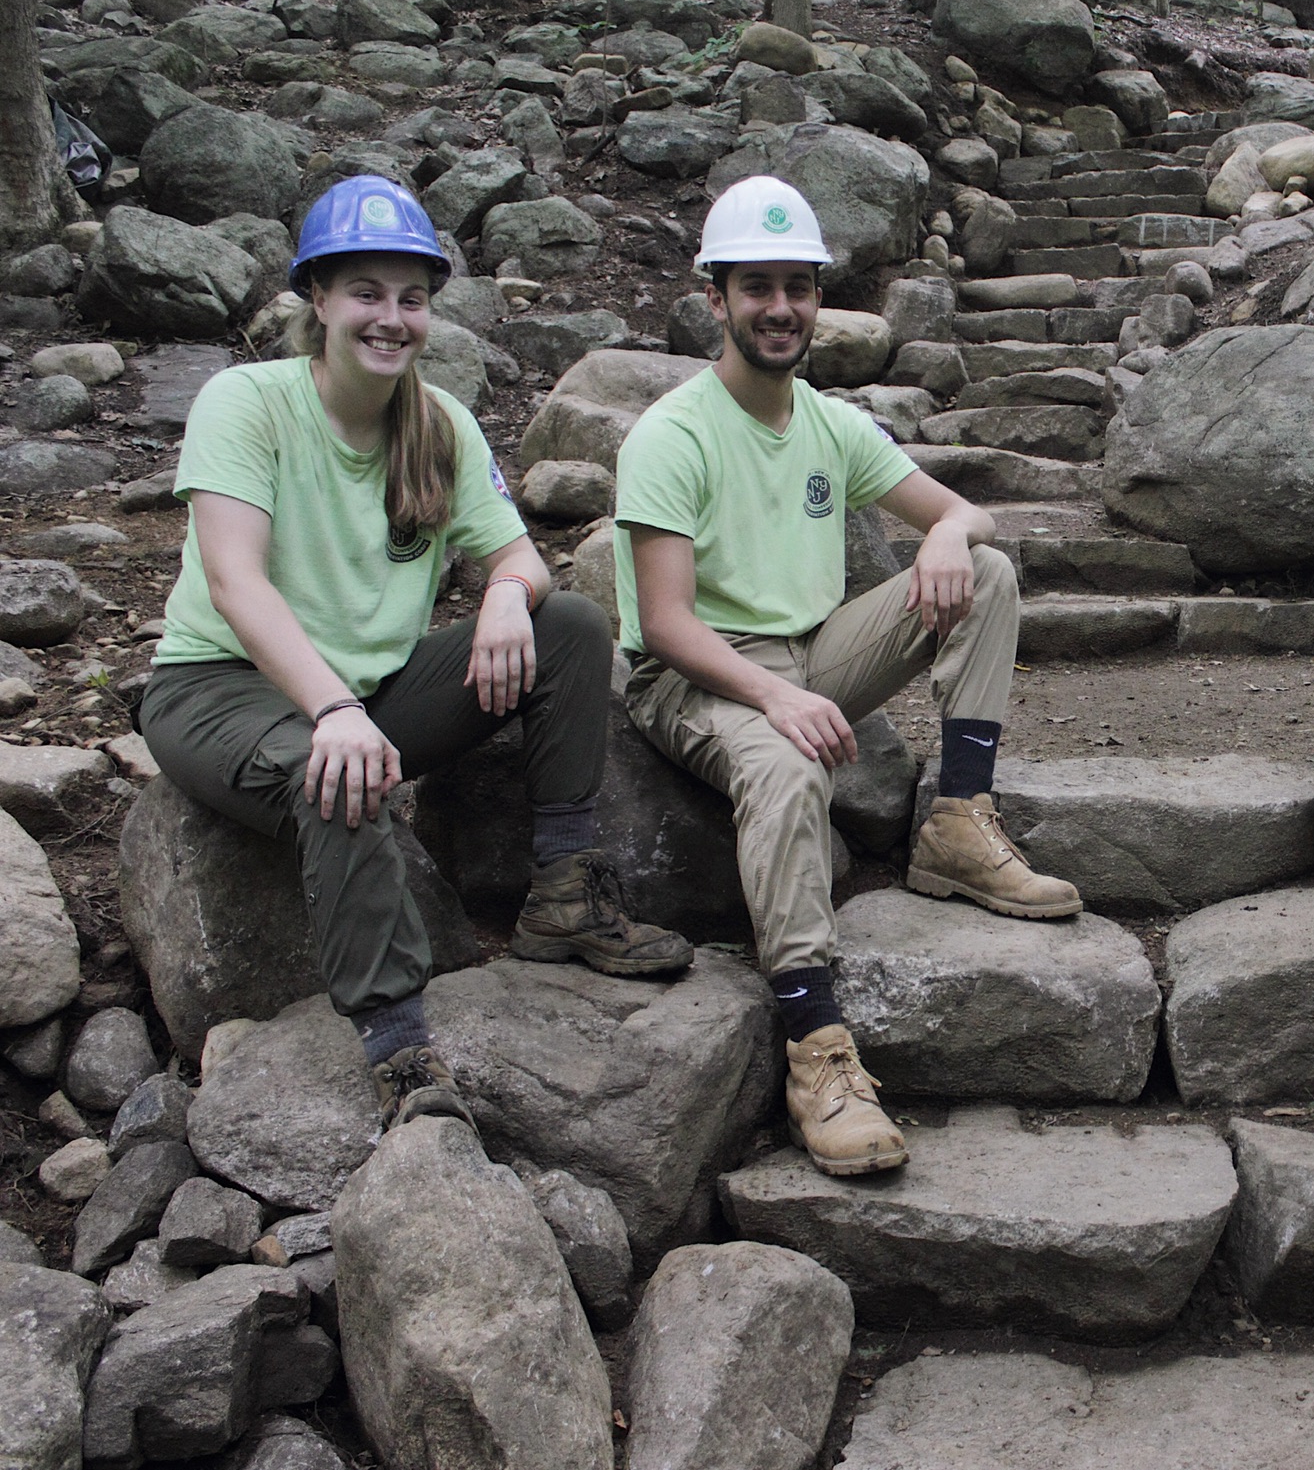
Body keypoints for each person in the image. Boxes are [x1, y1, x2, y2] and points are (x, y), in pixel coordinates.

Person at [141, 176, 692, 1132]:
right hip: (220, 687)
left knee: (568, 627)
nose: (390, 319)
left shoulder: (439, 424)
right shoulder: (247, 403)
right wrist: (335, 714)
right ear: (316, 298)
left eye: (411, 297)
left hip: (371, 688)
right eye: (365, 291)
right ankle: (397, 1042)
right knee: (337, 776)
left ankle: (565, 891)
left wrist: (509, 599)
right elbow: (236, 581)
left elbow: (517, 555)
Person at [616, 175, 1082, 1179]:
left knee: (989, 574)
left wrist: (951, 533)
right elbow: (661, 621)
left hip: (809, 652)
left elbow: (969, 513)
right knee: (786, 768)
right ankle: (815, 1050)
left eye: (798, 285)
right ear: (717, 297)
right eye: (757, 287)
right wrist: (776, 697)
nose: (780, 308)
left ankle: (958, 821)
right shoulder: (673, 433)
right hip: (691, 672)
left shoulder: (827, 423)